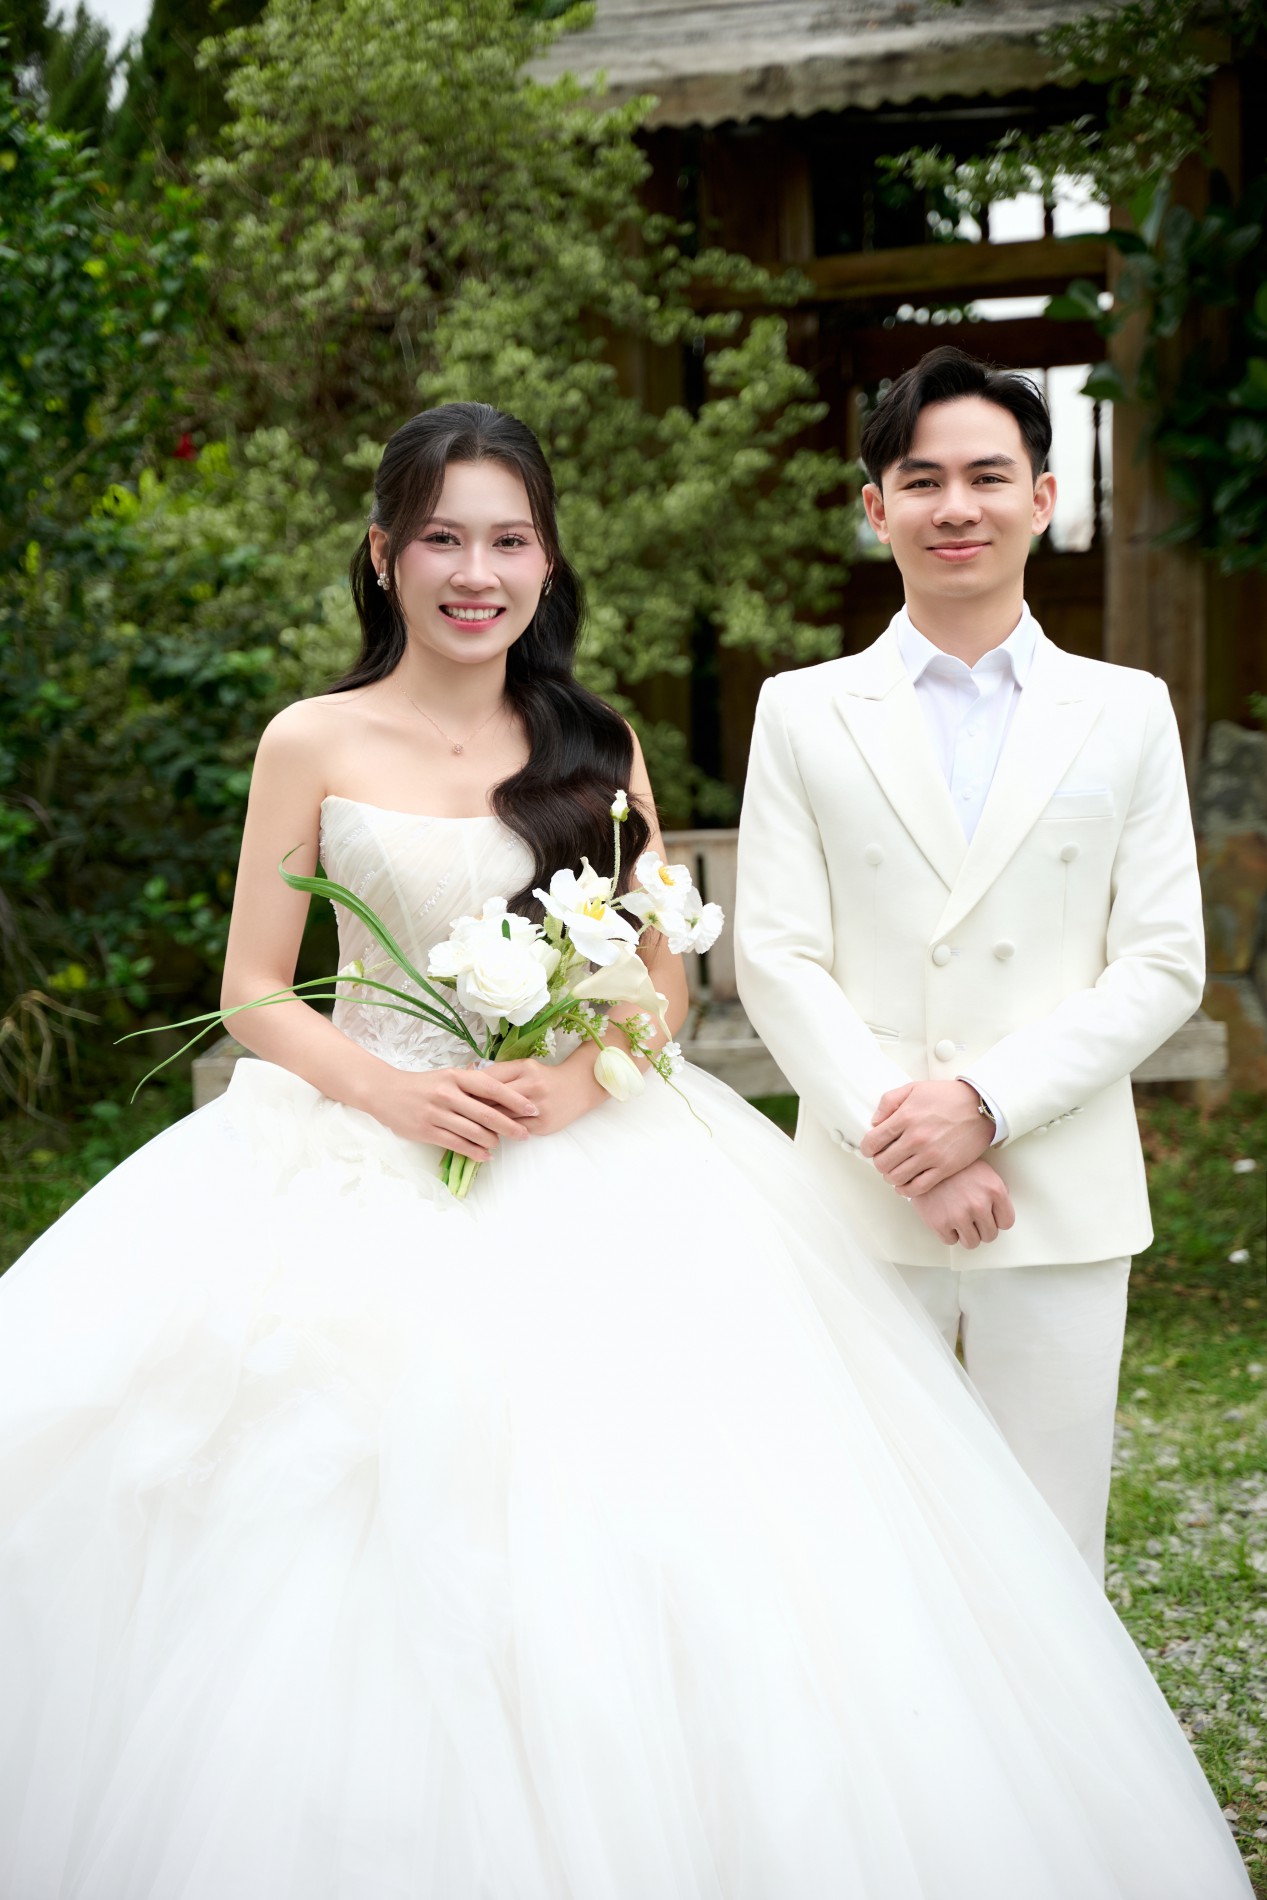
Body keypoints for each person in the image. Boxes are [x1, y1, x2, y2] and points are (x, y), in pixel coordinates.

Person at [0, 403, 1248, 1900]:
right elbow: (255, 988)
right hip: (356, 1143)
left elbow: (660, 981)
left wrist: (572, 1084)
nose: (476, 573)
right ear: (384, 555)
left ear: (546, 560)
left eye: (508, 541)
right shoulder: (309, 739)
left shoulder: (595, 743)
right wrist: (390, 1094)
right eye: (443, 539)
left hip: (582, 1147)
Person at [735, 345, 1204, 1585]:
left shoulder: (1126, 707)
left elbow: (1163, 961)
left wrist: (983, 1106)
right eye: (922, 479)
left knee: (1050, 1544)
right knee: (856, 1545)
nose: (957, 506)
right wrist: (907, 1143)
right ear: (874, 505)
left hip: (1057, 1191)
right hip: (860, 1194)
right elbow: (776, 955)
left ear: (1041, 499)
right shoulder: (801, 708)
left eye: (988, 477)